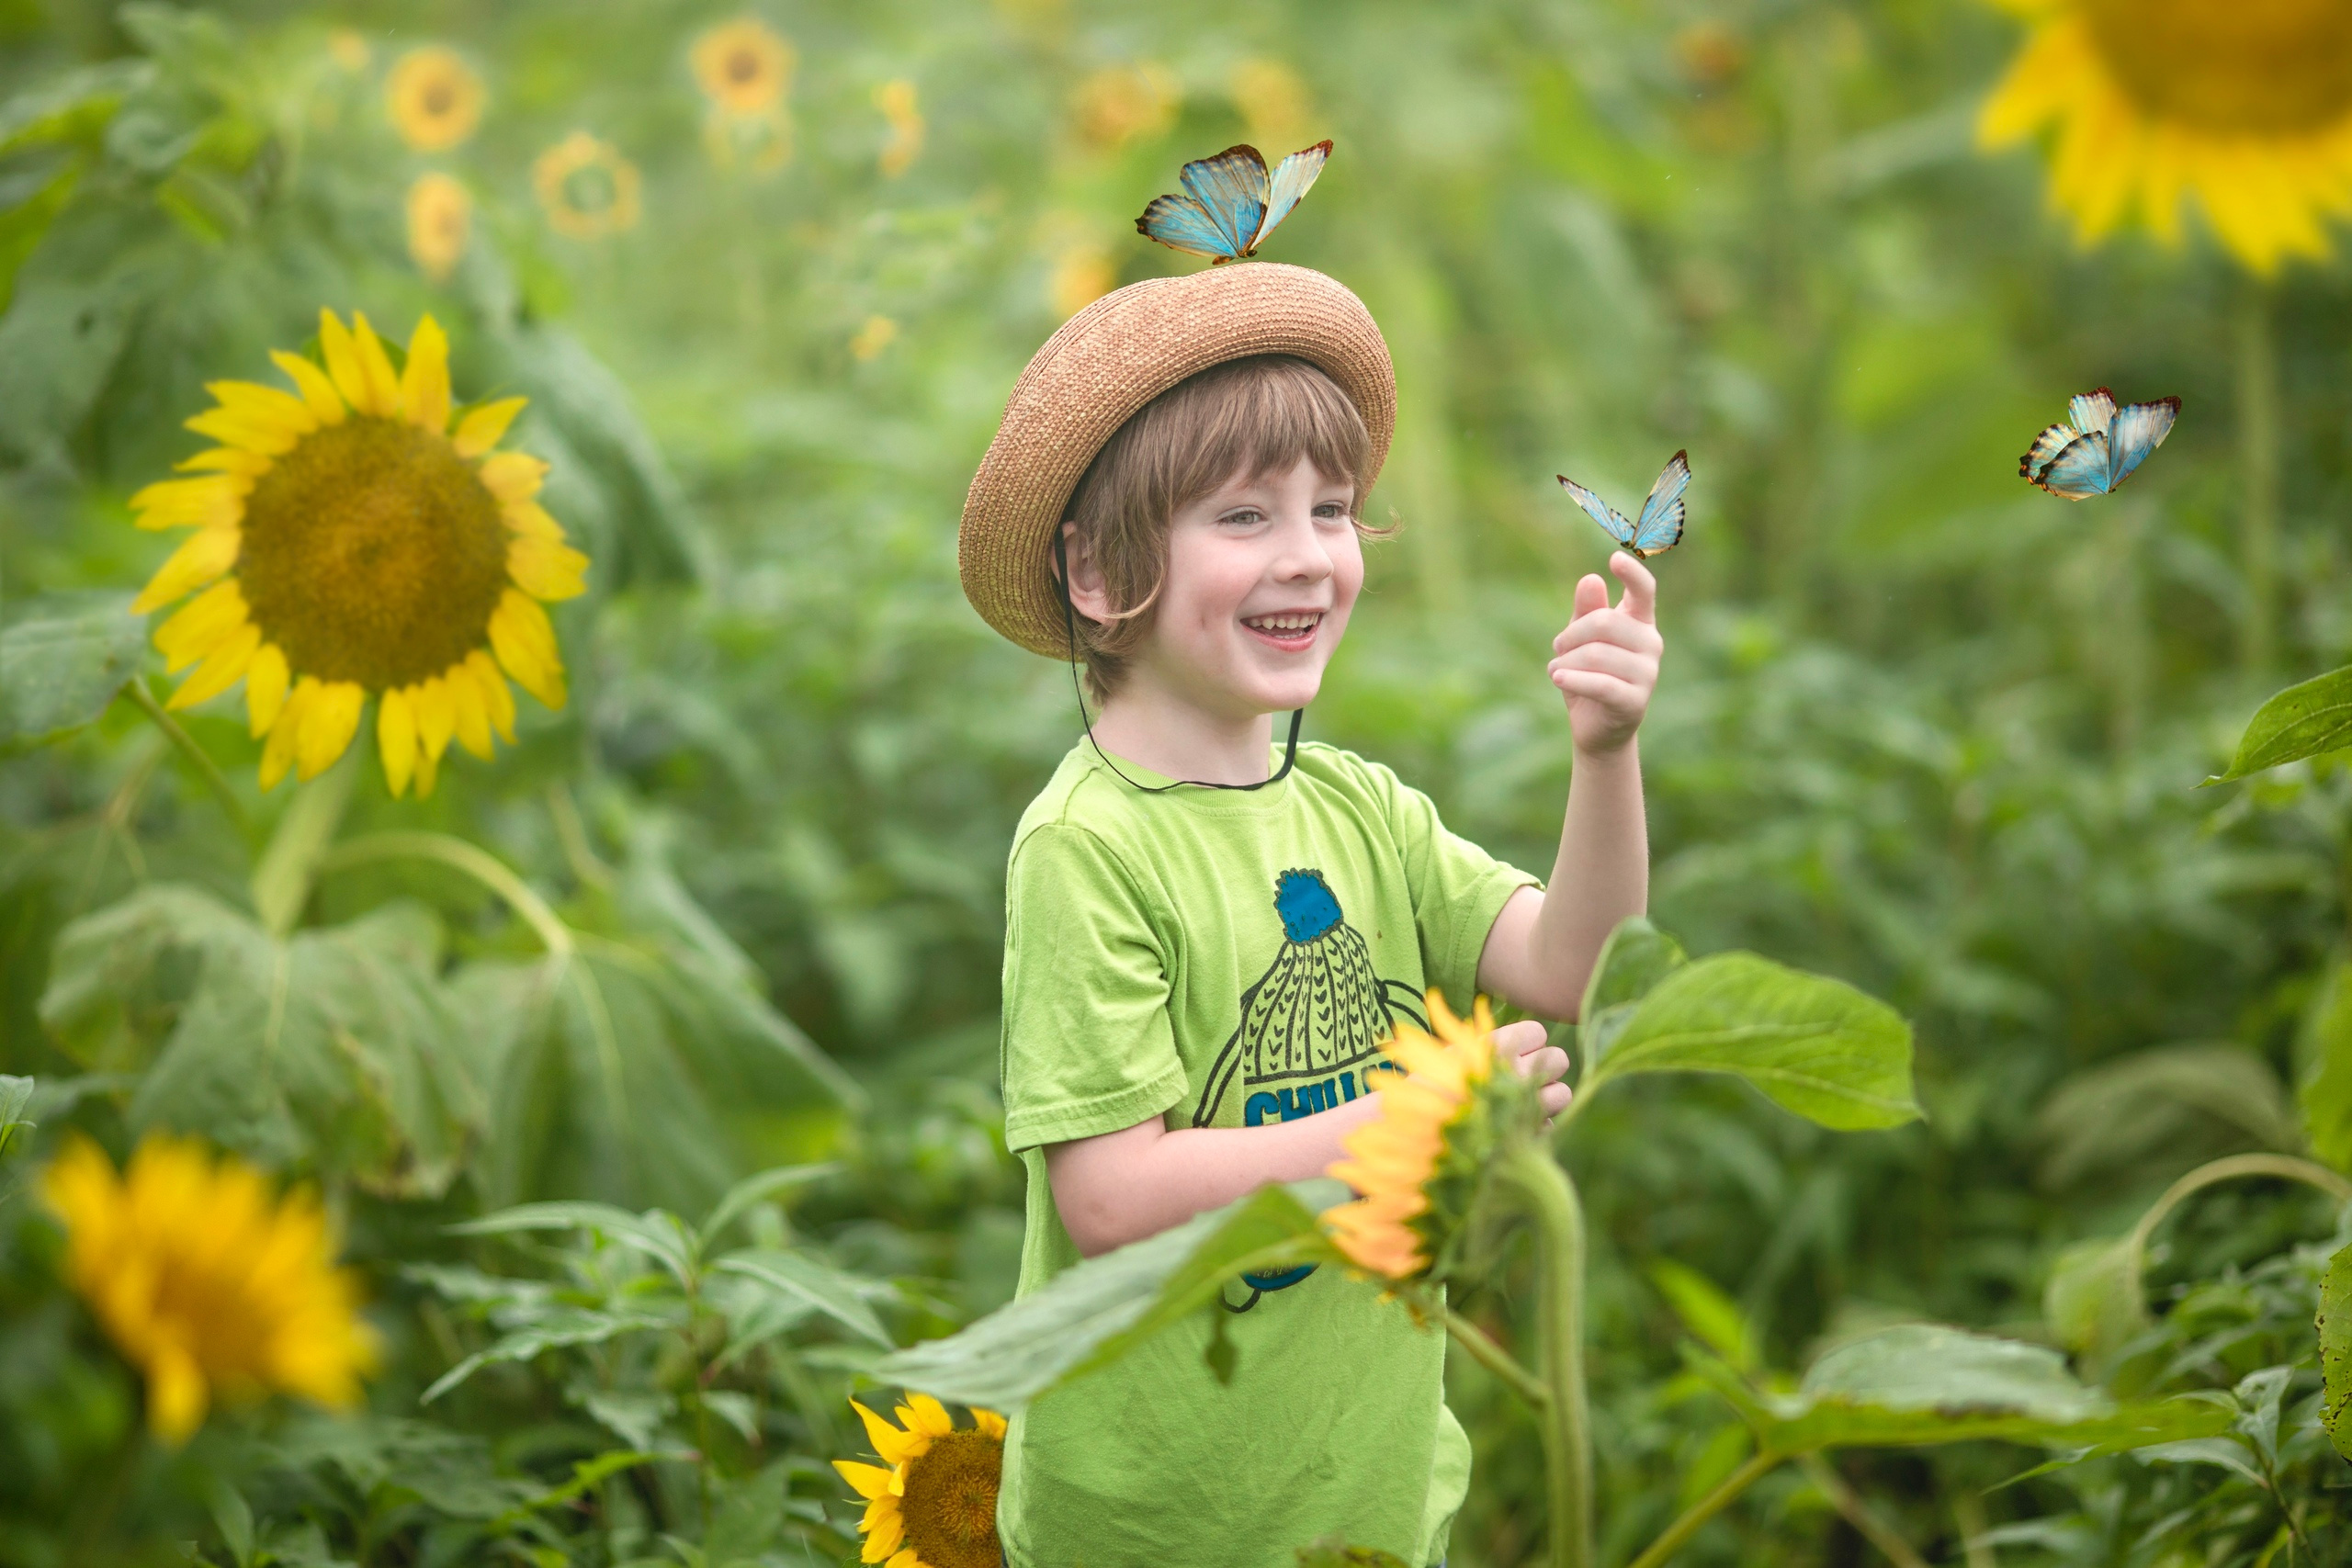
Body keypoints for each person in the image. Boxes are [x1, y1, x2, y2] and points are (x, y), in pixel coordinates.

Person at [958, 262, 1660, 1568]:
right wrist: (1405, 1126)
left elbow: (1577, 960)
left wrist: (1605, 753)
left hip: (1375, 1495)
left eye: (1331, 508)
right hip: (1157, 1516)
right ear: (1101, 574)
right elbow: (1111, 1195)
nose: (1308, 555)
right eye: (1242, 515)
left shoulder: (1360, 810)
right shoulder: (1088, 845)